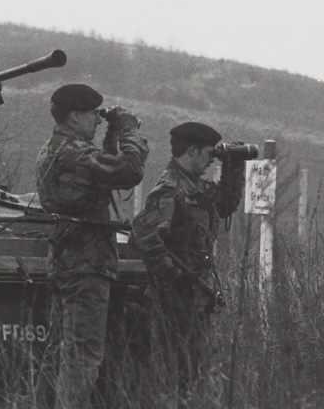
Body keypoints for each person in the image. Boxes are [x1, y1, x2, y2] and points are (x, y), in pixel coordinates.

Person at [34, 84, 149, 409]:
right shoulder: (78, 154)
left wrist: (111, 134)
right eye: (93, 116)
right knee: (83, 355)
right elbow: (129, 172)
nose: (98, 121)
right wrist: (128, 129)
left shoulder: (53, 149)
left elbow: (102, 172)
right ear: (74, 116)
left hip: (65, 262)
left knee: (59, 351)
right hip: (88, 266)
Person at [130, 122, 245, 401]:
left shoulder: (194, 188)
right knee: (173, 376)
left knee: (194, 375)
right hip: (173, 303)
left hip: (195, 301)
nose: (209, 161)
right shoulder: (170, 190)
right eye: (208, 154)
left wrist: (234, 166)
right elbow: (144, 237)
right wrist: (173, 279)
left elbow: (226, 203)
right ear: (192, 151)